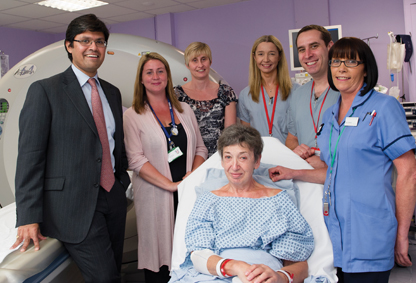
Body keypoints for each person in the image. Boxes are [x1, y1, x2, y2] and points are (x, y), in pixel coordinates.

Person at [269, 37, 416, 283]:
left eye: (351, 62)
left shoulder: (383, 107)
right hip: (333, 232)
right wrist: (293, 172)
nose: (341, 69)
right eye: (336, 61)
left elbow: (409, 172)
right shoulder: (330, 115)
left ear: (366, 68)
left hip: (369, 229)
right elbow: (335, 172)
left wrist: (402, 234)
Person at [11, 14, 131, 283]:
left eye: (99, 42)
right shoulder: (45, 91)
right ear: (69, 45)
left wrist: (121, 183)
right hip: (72, 205)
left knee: (114, 270)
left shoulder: (111, 92)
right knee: (105, 277)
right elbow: (30, 157)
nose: (93, 47)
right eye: (85, 40)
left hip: (112, 198)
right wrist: (27, 217)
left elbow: (114, 145)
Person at [170, 124, 314, 283]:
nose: (234, 166)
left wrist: (281, 277)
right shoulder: (208, 201)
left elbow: (299, 264)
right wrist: (237, 267)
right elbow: (198, 256)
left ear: (257, 161)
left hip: (266, 276)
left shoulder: (278, 201)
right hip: (217, 274)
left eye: (243, 157)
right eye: (228, 157)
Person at [123, 52, 208, 283]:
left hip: (188, 192)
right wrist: (171, 186)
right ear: (141, 79)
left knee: (189, 255)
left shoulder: (184, 110)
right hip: (155, 195)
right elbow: (135, 159)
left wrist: (192, 175)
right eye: (149, 72)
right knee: (158, 260)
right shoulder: (132, 115)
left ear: (168, 76)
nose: (155, 76)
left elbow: (200, 148)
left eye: (160, 71)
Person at [286, 25, 340, 168]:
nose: (308, 54)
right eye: (302, 50)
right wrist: (295, 150)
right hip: (307, 174)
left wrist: (327, 162)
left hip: (340, 176)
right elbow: (292, 138)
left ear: (330, 47)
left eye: (314, 46)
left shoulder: (346, 91)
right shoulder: (298, 95)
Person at [175, 42, 237, 157]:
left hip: (219, 158)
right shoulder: (177, 95)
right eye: (194, 60)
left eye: (204, 59)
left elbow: (231, 135)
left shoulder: (226, 92)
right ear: (187, 65)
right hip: (189, 159)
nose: (200, 65)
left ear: (210, 62)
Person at [237, 35, 296, 143]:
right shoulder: (245, 95)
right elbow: (247, 135)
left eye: (272, 54)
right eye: (261, 54)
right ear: (254, 57)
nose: (266, 59)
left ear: (279, 56)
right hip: (259, 156)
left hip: (289, 154)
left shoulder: (296, 91)